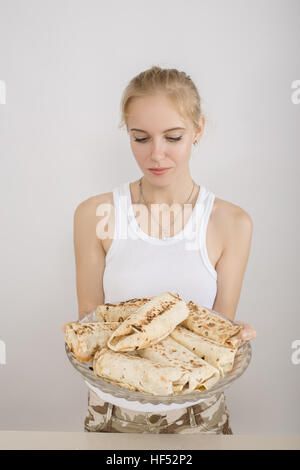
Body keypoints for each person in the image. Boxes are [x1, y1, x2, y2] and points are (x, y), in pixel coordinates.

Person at [64, 66, 256, 434]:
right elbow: (92, 321)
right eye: (141, 138)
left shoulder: (233, 223)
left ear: (198, 130)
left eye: (173, 136)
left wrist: (233, 337)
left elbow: (215, 335)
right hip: (112, 409)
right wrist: (78, 336)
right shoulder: (93, 215)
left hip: (199, 413)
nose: (157, 154)